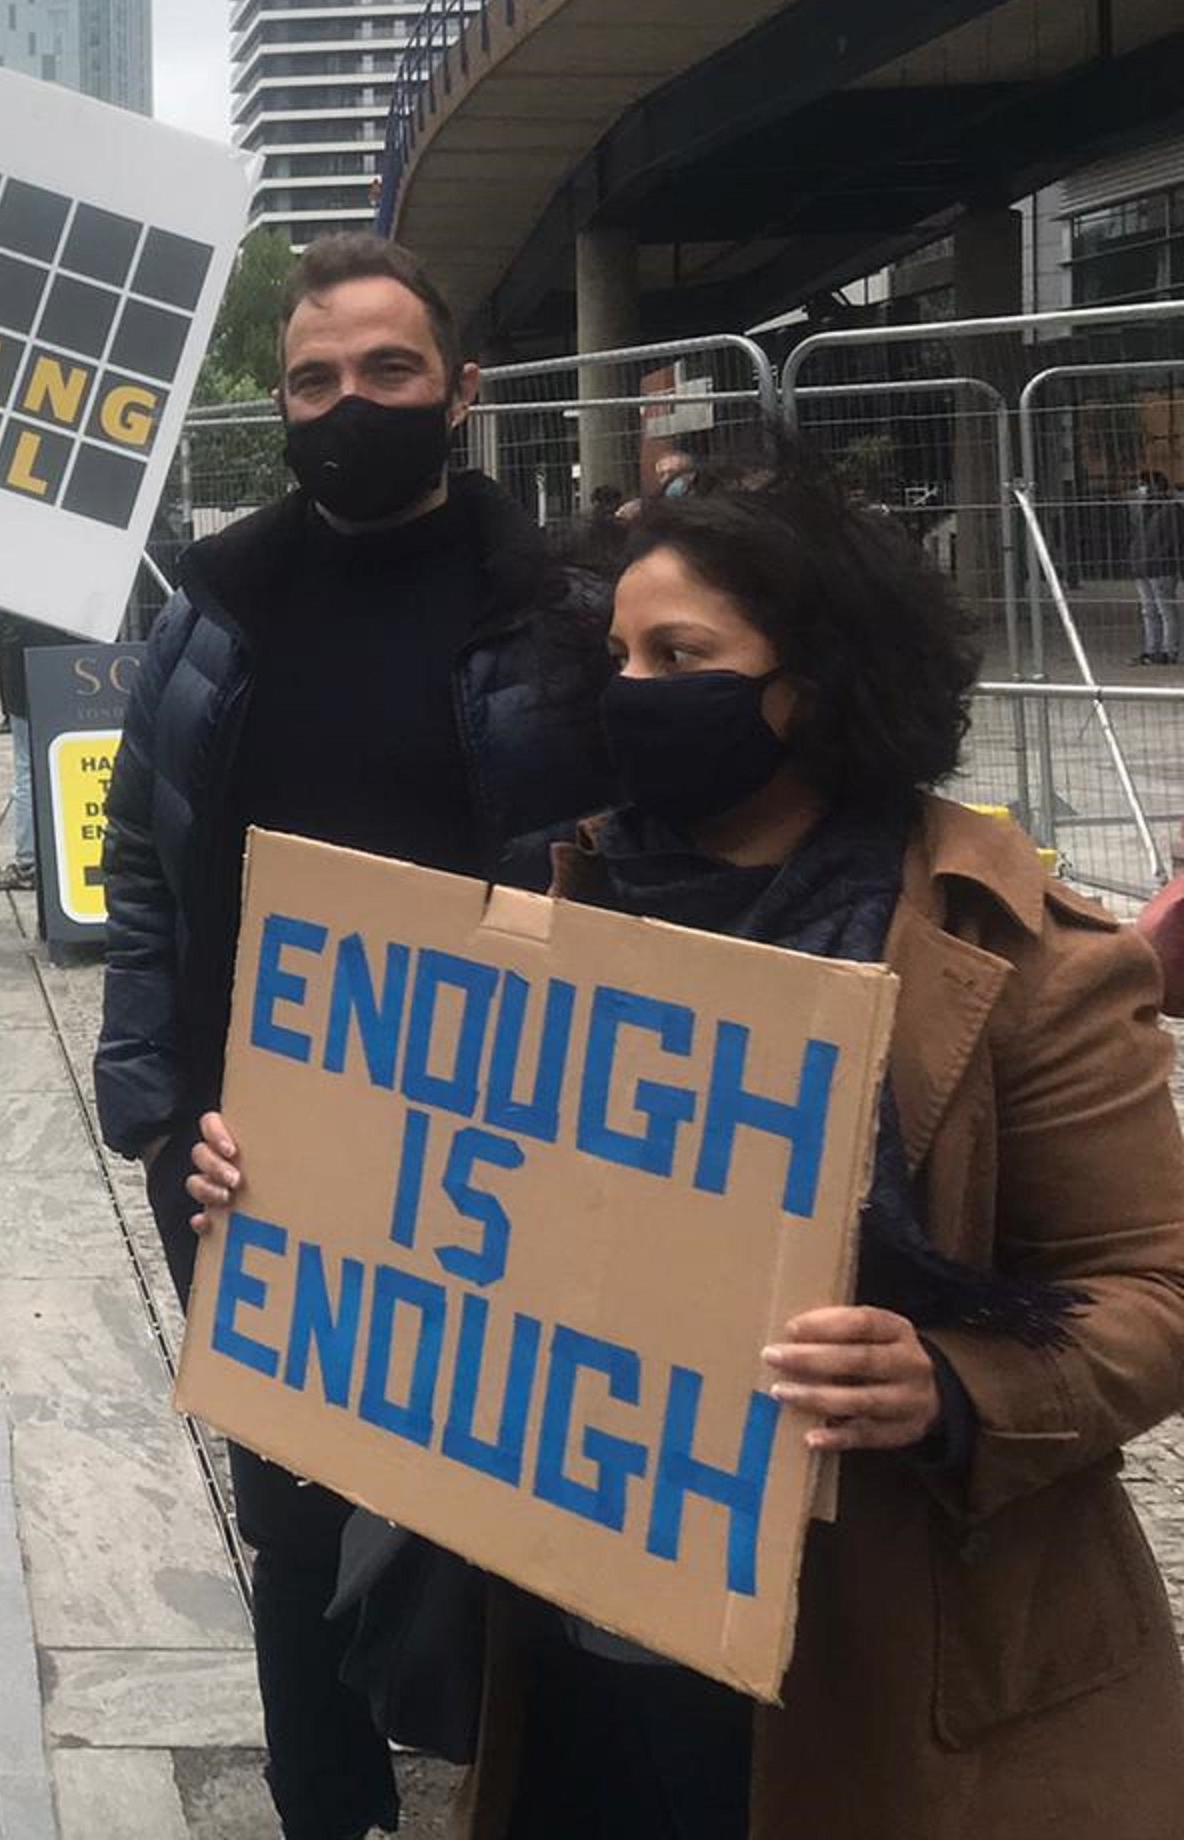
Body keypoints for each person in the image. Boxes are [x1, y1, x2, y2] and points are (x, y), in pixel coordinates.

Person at [182, 448, 1184, 1840]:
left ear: (815, 685)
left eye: (681, 653)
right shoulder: (562, 899)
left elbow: (1151, 1294)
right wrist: (290, 1175)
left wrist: (942, 1381)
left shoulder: (1025, 966)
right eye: (615, 653)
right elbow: (457, 1187)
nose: (631, 689)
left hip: (888, 1671)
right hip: (578, 1652)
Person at [94, 230, 611, 1840]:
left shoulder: (558, 611)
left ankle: (513, 1787)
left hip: (506, 1148)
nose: (348, 402)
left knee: (521, 1520)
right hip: (260, 1153)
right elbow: (141, 851)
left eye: (387, 372)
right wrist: (161, 1105)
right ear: (278, 397)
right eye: (314, 377)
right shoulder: (219, 602)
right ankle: (327, 1804)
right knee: (297, 1523)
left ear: (456, 392)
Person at [0, 607, 73, 894]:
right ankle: (66, 849)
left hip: (24, 676)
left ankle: (28, 862)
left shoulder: (15, 584)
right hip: (71, 670)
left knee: (27, 770)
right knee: (67, 761)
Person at [1127, 469, 1184, 665]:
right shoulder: (1144, 510)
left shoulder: (1171, 510)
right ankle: (1152, 649)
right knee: (1149, 610)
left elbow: (1173, 540)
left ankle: (1170, 650)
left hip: (1161, 567)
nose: (1139, 489)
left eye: (1142, 485)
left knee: (1164, 609)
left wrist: (1159, 557)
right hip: (1143, 566)